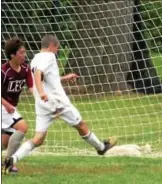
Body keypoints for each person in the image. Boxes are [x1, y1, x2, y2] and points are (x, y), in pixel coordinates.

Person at [2, 34, 117, 174]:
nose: (57, 52)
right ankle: (101, 148)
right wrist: (42, 92)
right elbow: (38, 74)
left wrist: (63, 78)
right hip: (57, 102)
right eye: (57, 48)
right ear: (52, 46)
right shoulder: (49, 56)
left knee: (38, 139)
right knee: (81, 125)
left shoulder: (35, 59)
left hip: (42, 105)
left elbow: (44, 76)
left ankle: (12, 159)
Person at [1, 37, 33, 172]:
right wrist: (6, 104)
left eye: (24, 52)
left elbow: (32, 88)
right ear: (12, 55)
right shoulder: (4, 71)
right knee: (23, 127)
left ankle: (6, 164)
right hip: (3, 106)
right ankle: (9, 164)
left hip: (10, 108)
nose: (24, 55)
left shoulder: (26, 69)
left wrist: (42, 99)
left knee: (5, 142)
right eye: (21, 53)